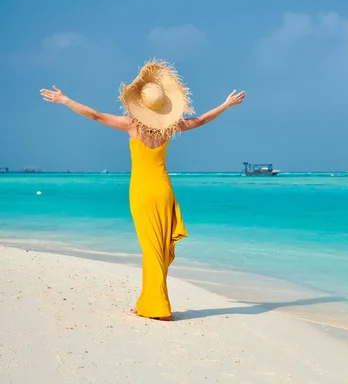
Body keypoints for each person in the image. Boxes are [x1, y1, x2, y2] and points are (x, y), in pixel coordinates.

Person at [40, 59, 246, 321]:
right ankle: (148, 300)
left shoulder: (131, 125)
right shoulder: (170, 127)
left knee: (150, 249)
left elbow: (95, 115)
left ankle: (158, 308)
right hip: (163, 191)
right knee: (157, 249)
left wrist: (65, 100)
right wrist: (226, 105)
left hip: (141, 192)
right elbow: (202, 120)